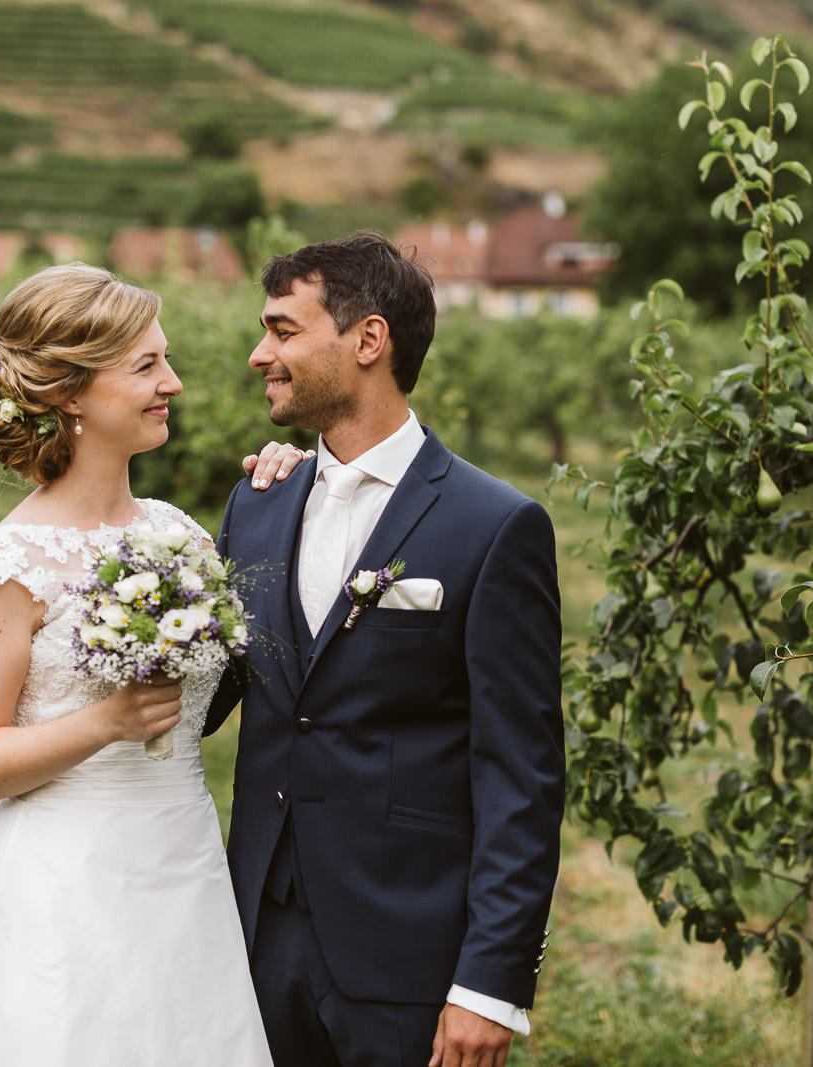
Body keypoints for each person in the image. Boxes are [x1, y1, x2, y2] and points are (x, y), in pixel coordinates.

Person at [0, 263, 306, 1065]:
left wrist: (296, 477)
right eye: (146, 366)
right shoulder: (11, 563)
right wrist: (103, 722)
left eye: (166, 359)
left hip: (185, 869)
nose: (172, 382)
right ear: (71, 394)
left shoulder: (181, 535)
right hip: (64, 885)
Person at [210, 232, 565, 1067]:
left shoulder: (494, 525)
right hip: (258, 937)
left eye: (283, 330)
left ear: (369, 339)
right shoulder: (256, 503)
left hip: (411, 955)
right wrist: (34, 770)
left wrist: (490, 984)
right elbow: (197, 695)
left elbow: (520, 773)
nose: (261, 354)